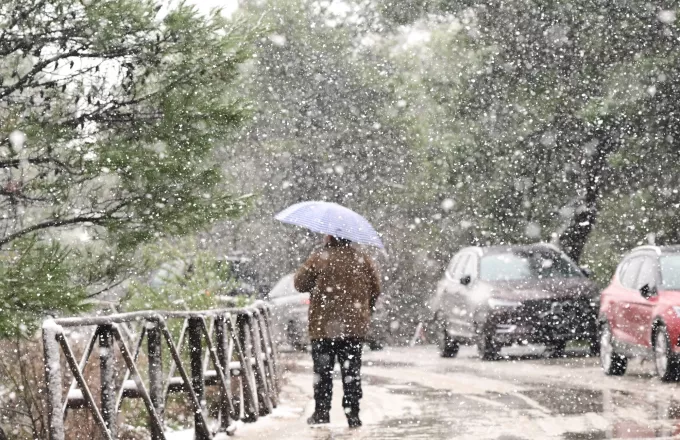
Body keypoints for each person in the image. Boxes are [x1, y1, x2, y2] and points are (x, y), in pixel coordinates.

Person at [294, 235, 381, 428]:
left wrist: (317, 282)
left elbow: (299, 284)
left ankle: (322, 412)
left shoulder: (319, 258)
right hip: (353, 328)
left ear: (330, 236)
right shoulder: (362, 259)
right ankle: (353, 414)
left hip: (323, 327)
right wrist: (365, 310)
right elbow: (376, 288)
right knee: (351, 373)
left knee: (323, 373)